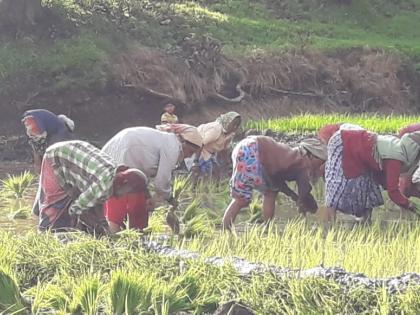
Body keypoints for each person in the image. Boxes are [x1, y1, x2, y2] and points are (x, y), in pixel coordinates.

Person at [37, 140, 150, 234]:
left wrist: (100, 225)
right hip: (56, 157)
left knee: (89, 212)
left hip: (72, 156)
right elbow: (75, 209)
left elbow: (94, 204)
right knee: (55, 207)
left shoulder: (113, 175)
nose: (124, 196)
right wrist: (82, 225)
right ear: (123, 183)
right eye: (128, 192)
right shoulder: (103, 186)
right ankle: (43, 239)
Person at [222, 136, 327, 229]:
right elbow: (304, 192)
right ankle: (225, 229)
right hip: (252, 150)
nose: (320, 166)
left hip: (246, 147)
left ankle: (267, 226)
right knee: (241, 199)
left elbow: (277, 182)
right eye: (320, 162)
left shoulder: (291, 156)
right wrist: (309, 206)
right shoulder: (302, 163)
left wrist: (294, 197)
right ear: (312, 156)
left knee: (270, 192)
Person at [324, 128, 420, 222]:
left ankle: (364, 223)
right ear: (413, 150)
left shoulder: (398, 150)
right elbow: (393, 192)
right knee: (338, 185)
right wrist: (411, 206)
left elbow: (386, 181)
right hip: (343, 142)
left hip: (361, 152)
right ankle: (328, 223)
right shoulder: (396, 157)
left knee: (369, 188)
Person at [102, 125, 203, 206]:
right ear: (183, 142)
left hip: (125, 142)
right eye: (190, 151)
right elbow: (162, 181)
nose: (189, 155)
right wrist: (169, 198)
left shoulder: (169, 140)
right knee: (119, 187)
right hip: (129, 147)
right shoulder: (173, 147)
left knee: (111, 183)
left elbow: (148, 175)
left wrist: (150, 196)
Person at [196, 111, 241, 177]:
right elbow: (200, 143)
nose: (235, 127)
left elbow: (224, 150)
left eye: (237, 125)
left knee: (216, 171)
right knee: (202, 175)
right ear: (227, 121)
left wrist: (228, 164)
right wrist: (195, 161)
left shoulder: (229, 134)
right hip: (197, 150)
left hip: (209, 153)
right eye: (233, 124)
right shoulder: (216, 129)